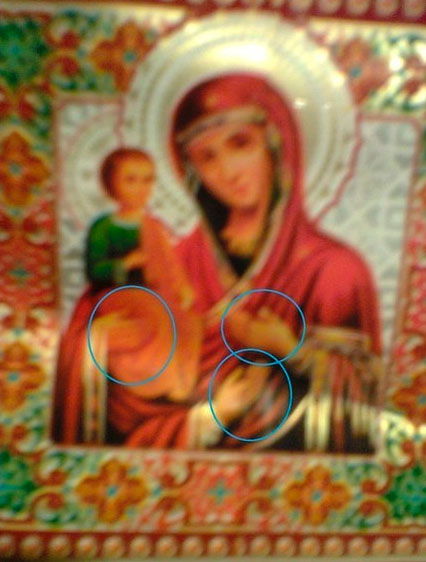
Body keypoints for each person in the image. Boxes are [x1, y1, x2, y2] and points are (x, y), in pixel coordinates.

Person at [107, 73, 381, 452]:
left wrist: (291, 351)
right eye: (207, 157)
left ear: (275, 143)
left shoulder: (335, 269)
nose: (229, 171)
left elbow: (367, 411)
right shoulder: (175, 265)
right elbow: (126, 409)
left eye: (240, 144)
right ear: (190, 171)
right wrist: (211, 415)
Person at [53, 148, 202, 444]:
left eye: (148, 180)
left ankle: (176, 388)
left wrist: (183, 287)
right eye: (131, 180)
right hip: (114, 295)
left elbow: (170, 267)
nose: (141, 188)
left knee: (191, 322)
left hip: (152, 296)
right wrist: (126, 264)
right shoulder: (104, 227)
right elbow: (95, 270)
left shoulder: (153, 225)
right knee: (153, 323)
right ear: (111, 186)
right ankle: (155, 383)